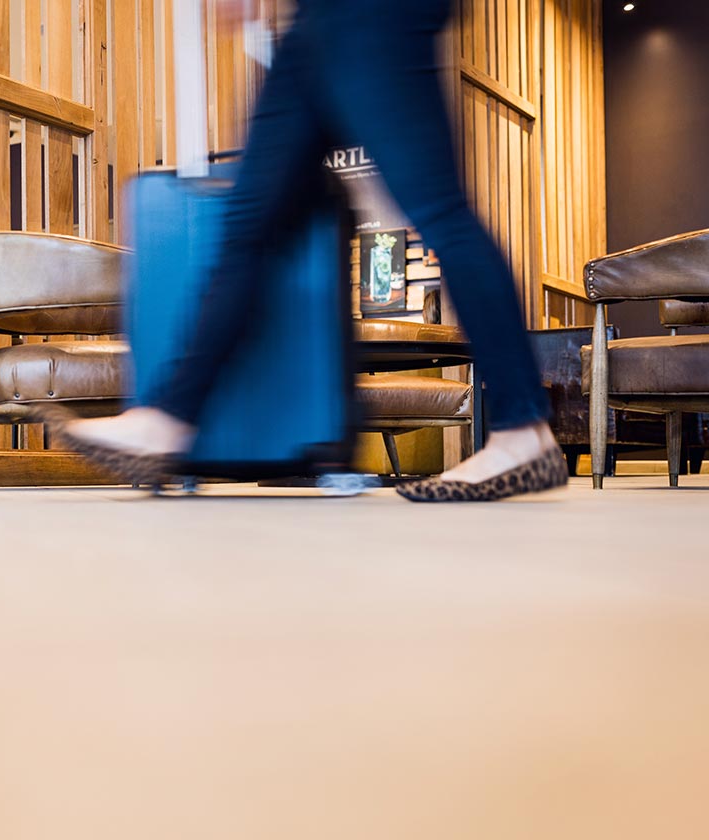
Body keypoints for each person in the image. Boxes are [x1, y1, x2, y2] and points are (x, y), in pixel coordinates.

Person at [47, 0, 567, 502]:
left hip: (373, 13)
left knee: (438, 210)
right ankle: (167, 419)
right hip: (317, 21)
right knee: (248, 227)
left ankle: (522, 428)